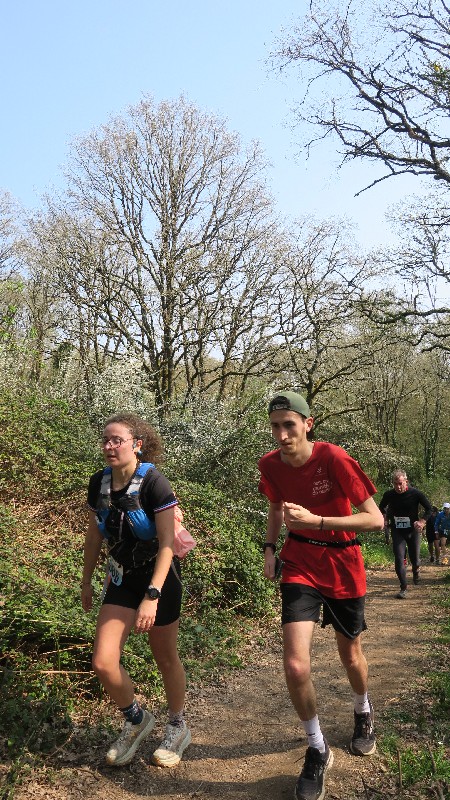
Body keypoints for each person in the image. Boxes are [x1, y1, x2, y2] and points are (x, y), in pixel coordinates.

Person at [258, 391, 384, 800]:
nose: (282, 435)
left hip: (343, 564)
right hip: (299, 563)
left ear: (307, 424)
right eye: (275, 426)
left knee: (351, 655)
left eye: (289, 425)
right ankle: (316, 747)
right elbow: (275, 507)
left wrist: (318, 521)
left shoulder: (334, 458)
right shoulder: (269, 464)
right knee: (295, 665)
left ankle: (362, 710)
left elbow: (375, 520)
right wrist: (270, 549)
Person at [81, 413, 191, 769]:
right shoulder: (99, 482)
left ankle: (177, 726)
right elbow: (94, 536)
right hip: (121, 578)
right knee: (103, 661)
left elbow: (167, 544)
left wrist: (152, 596)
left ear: (137, 445)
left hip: (159, 579)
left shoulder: (154, 483)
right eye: (106, 440)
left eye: (117, 440)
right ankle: (137, 719)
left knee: (165, 657)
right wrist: (86, 580)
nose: (109, 446)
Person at [378, 470, 432, 599]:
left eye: (400, 483)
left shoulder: (416, 493)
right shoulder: (389, 494)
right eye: (395, 484)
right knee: (399, 558)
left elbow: (429, 508)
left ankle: (416, 570)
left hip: (412, 530)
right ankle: (403, 587)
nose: (398, 487)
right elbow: (381, 507)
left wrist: (422, 521)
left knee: (415, 559)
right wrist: (385, 518)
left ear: (406, 482)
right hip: (397, 530)